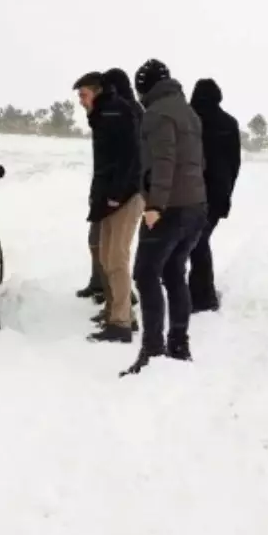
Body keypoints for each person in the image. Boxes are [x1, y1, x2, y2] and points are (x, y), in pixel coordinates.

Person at [124, 59, 208, 376]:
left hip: (170, 208)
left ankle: (153, 350)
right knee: (173, 272)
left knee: (146, 274)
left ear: (144, 86)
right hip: (195, 206)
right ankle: (178, 344)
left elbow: (163, 161)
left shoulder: (157, 114)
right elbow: (197, 161)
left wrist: (155, 205)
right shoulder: (187, 111)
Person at [73, 71, 143, 343]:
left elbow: (130, 157)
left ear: (98, 91)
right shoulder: (103, 114)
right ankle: (117, 312)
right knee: (105, 257)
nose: (81, 101)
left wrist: (114, 195)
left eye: (84, 94)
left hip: (123, 198)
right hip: (109, 198)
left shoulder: (116, 113)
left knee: (116, 260)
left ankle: (121, 323)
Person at [188, 78, 242, 312]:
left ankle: (202, 295)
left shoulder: (188, 120)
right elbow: (234, 163)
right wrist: (227, 191)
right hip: (218, 192)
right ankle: (202, 294)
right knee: (200, 240)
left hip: (190, 191)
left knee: (196, 242)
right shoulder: (229, 123)